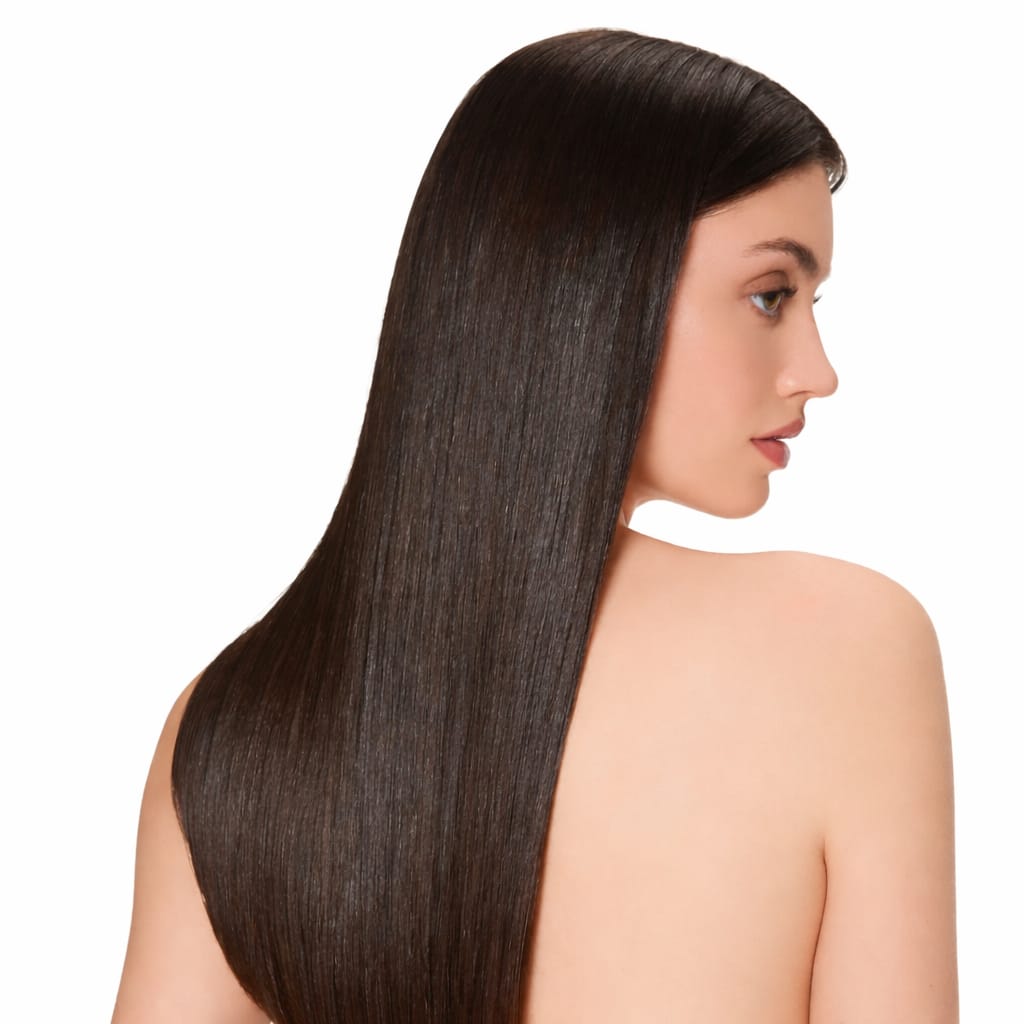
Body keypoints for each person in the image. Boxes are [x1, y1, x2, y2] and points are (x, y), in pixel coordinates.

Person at [112, 28, 958, 1024]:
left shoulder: (237, 726)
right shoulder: (844, 642)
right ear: (590, 284)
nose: (818, 370)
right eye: (770, 295)